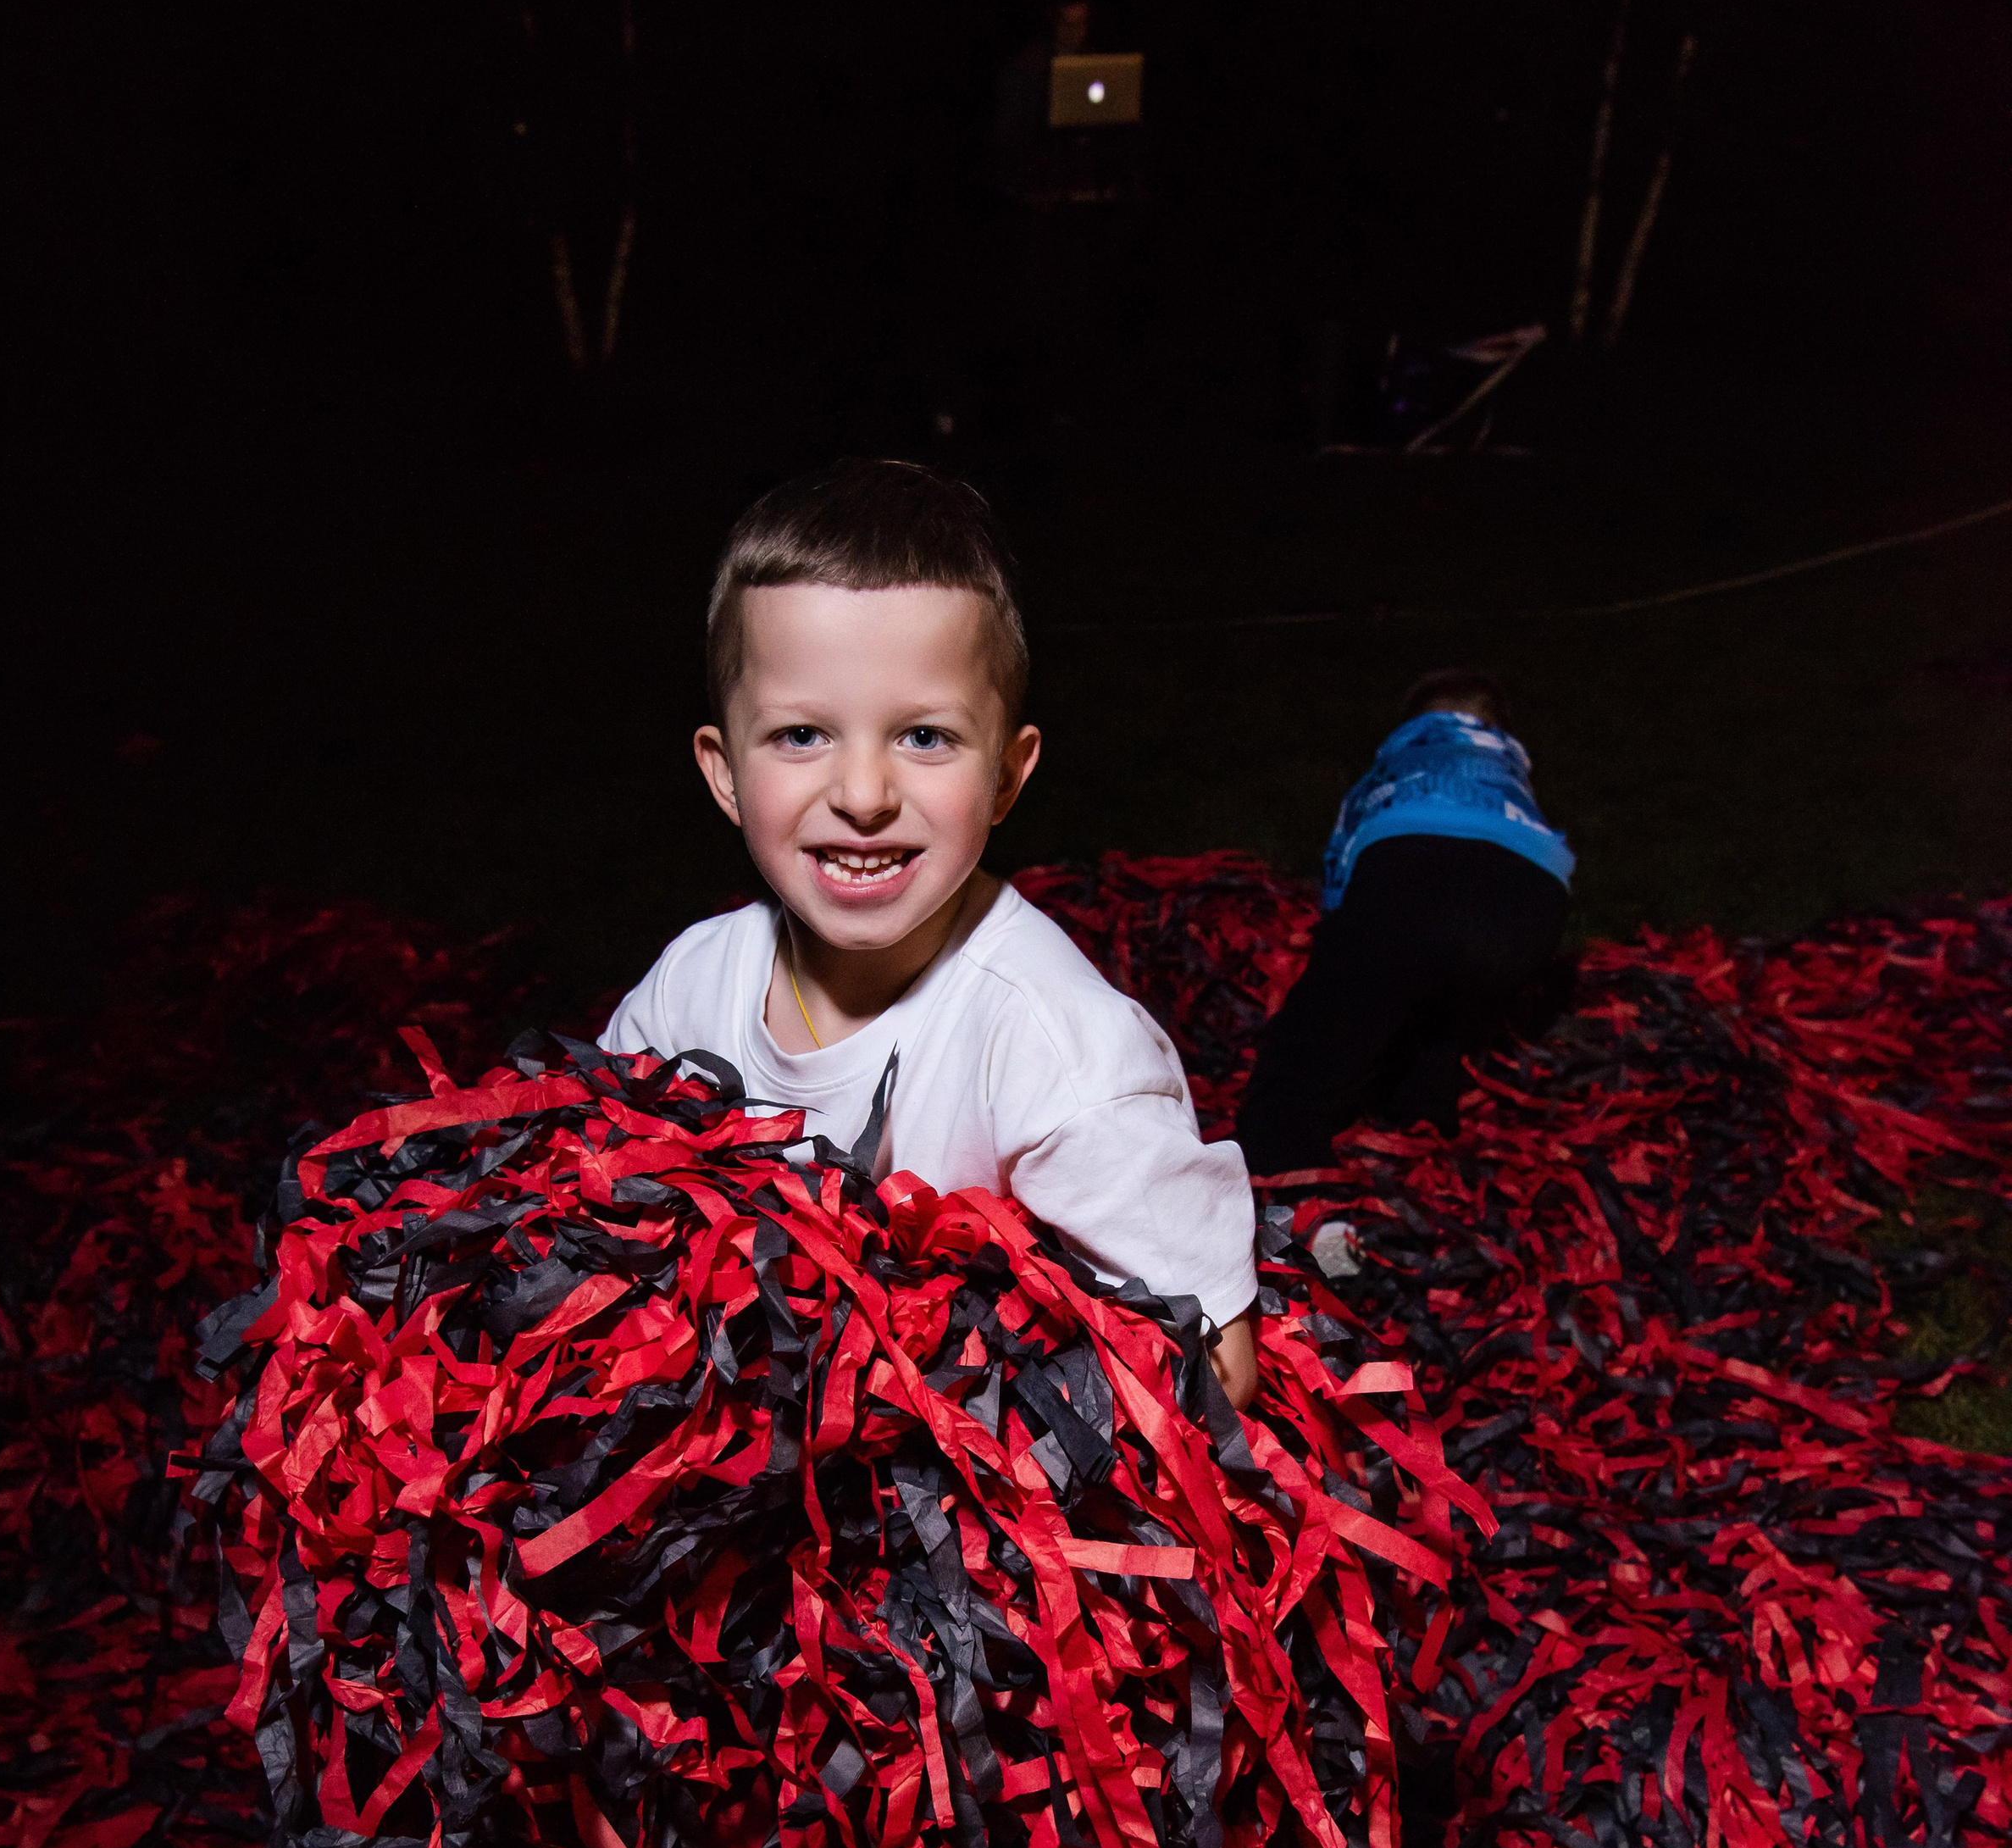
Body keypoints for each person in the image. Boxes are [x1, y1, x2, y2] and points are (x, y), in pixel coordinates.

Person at [604, 458, 1261, 1407]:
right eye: (800, 735)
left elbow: (1218, 1367)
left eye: (923, 737)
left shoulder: (1059, 1055)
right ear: (722, 772)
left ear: (1005, 774)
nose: (863, 796)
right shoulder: (688, 989)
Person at [1234, 671, 1574, 1180]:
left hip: (1412, 865)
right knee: (1444, 1015)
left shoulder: (1395, 768)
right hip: (1534, 898)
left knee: (1303, 1065)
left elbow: (1341, 868)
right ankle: (1422, 1134)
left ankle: (1293, 1209)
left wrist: (1341, 942)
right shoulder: (1509, 773)